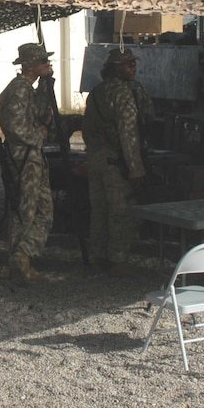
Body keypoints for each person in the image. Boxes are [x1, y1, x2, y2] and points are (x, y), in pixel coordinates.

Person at [82, 48, 146, 275]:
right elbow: (128, 134)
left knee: (98, 211)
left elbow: (87, 129)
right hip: (116, 164)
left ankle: (98, 257)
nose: (133, 68)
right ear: (116, 69)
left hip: (96, 160)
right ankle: (118, 260)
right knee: (120, 212)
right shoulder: (124, 94)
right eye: (128, 64)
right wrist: (135, 168)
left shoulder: (96, 92)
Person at [0, 43, 55, 282]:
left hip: (31, 156)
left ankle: (22, 257)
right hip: (24, 157)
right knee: (27, 209)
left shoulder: (28, 88)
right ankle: (19, 259)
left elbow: (38, 112)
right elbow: (13, 125)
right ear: (31, 66)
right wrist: (37, 135)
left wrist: (46, 85)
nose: (48, 65)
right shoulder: (19, 89)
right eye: (43, 62)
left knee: (40, 209)